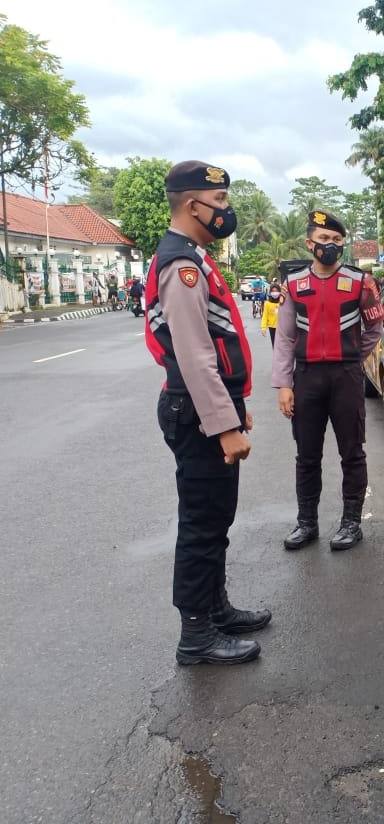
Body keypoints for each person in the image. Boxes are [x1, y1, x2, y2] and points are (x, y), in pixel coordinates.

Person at [145, 160, 272, 666]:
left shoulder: (192, 256)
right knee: (201, 522)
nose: (225, 212)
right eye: (218, 203)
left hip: (207, 406)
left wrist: (234, 408)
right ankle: (196, 633)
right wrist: (223, 424)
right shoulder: (183, 265)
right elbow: (195, 353)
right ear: (193, 204)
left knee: (217, 516)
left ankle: (215, 608)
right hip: (195, 411)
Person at [272, 210, 384, 551]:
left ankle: (351, 523)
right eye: (323, 239)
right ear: (310, 243)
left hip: (346, 377)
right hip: (306, 378)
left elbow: (374, 329)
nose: (330, 246)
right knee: (307, 455)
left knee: (352, 452)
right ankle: (307, 523)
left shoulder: (360, 282)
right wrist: (284, 385)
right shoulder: (294, 285)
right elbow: (285, 337)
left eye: (337, 240)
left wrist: (352, 356)